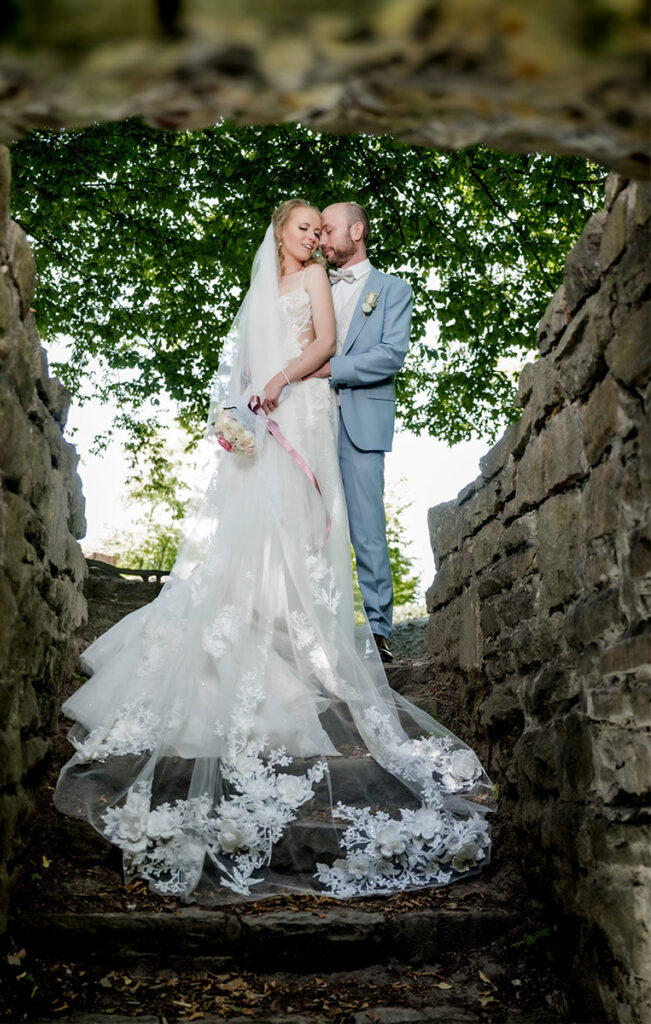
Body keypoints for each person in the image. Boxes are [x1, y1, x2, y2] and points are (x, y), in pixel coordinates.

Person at [54, 199, 493, 902]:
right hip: (267, 413)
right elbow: (245, 359)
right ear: (280, 233)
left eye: (321, 228)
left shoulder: (329, 281)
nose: (314, 237)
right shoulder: (263, 288)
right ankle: (264, 629)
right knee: (255, 532)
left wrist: (282, 382)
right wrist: (236, 408)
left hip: (307, 408)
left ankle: (328, 639)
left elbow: (324, 345)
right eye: (303, 227)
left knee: (313, 528)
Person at [307, 203, 412, 664]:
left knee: (367, 529)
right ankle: (310, 628)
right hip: (308, 419)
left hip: (361, 423)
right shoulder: (315, 286)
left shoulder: (393, 289)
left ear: (358, 230)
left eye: (328, 230)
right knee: (308, 523)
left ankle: (378, 632)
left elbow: (391, 354)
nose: (322, 240)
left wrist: (334, 369)